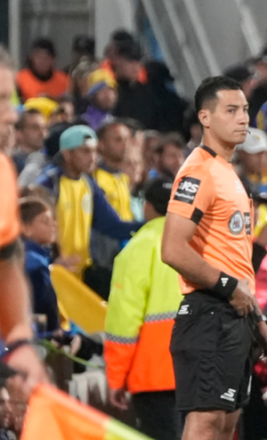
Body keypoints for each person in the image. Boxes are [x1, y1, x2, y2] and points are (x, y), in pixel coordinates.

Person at [161, 75, 267, 440]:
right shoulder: (198, 171)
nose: (243, 117)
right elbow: (174, 249)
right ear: (204, 117)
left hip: (231, 317)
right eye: (230, 109)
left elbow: (230, 256)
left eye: (246, 109)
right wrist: (231, 289)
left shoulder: (229, 173)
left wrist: (255, 318)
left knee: (225, 429)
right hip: (207, 315)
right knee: (204, 427)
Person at [105, 178, 184, 440]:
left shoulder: (138, 248)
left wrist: (116, 378)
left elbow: (123, 323)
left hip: (155, 375)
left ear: (147, 207)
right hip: (202, 370)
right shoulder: (203, 241)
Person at [0, 46, 50, 407]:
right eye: (0, 100)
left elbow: (6, 261)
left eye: (11, 99)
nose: (9, 115)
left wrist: (19, 340)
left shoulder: (3, 171)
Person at [33, 125, 140, 284]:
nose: (93, 157)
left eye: (95, 151)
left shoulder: (88, 184)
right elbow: (33, 231)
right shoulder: (49, 184)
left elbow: (112, 226)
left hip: (81, 275)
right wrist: (49, 262)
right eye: (85, 151)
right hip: (54, 275)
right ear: (67, 154)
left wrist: (155, 224)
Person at [19, 198, 61, 334]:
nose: (53, 224)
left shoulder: (36, 258)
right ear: (26, 228)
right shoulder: (34, 263)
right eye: (45, 221)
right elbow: (44, 308)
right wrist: (55, 333)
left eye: (52, 219)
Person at [94, 121, 134, 221]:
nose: (125, 145)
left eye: (127, 139)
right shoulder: (94, 179)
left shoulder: (123, 178)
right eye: (118, 140)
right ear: (101, 145)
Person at [12, 109, 47, 175]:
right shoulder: (11, 162)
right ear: (19, 133)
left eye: (44, 127)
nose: (42, 133)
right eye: (34, 128)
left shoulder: (49, 158)